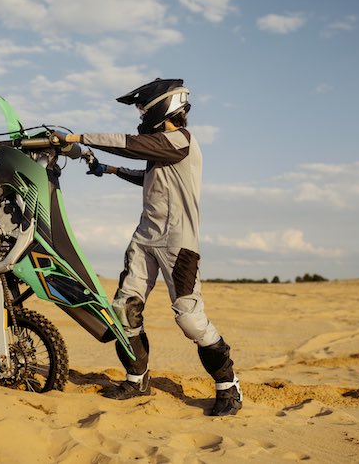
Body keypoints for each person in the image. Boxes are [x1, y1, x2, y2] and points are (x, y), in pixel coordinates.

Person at [61, 78, 242, 416]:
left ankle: (228, 387)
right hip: (145, 238)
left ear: (162, 108)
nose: (140, 116)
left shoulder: (180, 140)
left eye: (143, 109)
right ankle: (137, 379)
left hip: (179, 244)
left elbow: (131, 144)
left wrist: (76, 137)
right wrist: (110, 170)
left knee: (189, 319)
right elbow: (148, 174)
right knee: (123, 310)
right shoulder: (162, 149)